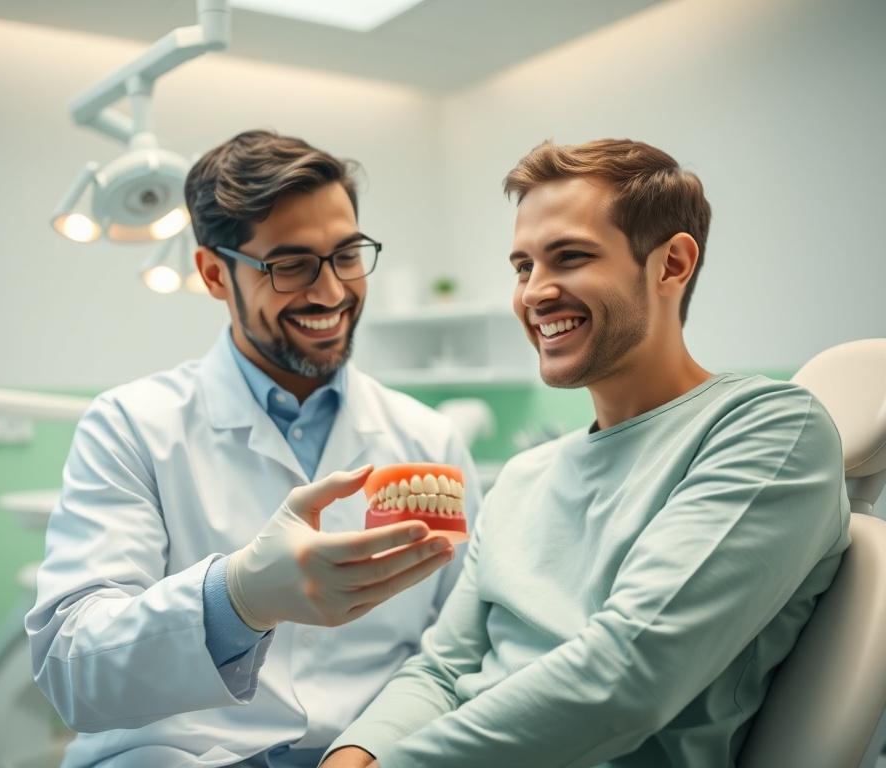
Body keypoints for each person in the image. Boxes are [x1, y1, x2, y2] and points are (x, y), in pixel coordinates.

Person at [322, 138, 850, 768]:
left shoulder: (765, 429)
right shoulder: (525, 476)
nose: (534, 294)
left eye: (568, 257)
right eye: (523, 267)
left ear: (672, 264)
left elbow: (624, 678)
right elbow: (441, 669)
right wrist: (351, 756)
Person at [26, 129, 481, 768]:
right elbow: (73, 671)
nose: (329, 293)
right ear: (215, 273)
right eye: (289, 265)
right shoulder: (131, 425)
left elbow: (467, 646)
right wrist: (238, 598)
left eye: (347, 255)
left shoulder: (429, 439)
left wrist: (369, 748)